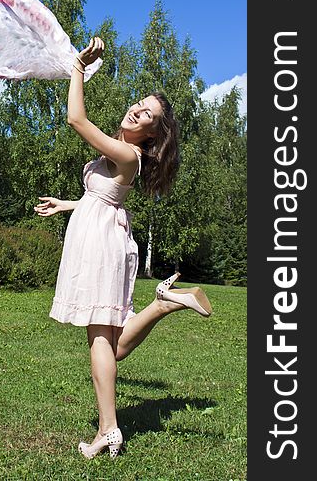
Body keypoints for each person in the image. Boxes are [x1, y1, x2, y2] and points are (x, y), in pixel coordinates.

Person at [34, 37, 212, 459]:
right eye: (139, 104)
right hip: (102, 233)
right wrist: (67, 204)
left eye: (147, 114)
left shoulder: (129, 155)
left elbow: (76, 119)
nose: (136, 109)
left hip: (101, 245)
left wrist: (78, 66)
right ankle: (163, 303)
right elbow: (103, 198)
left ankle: (108, 430)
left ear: (151, 133)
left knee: (100, 337)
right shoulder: (121, 156)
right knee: (109, 344)